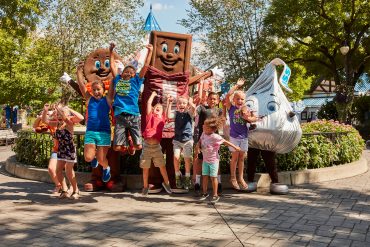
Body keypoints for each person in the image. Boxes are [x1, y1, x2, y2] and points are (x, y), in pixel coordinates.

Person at [109, 42, 152, 155]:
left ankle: (131, 142)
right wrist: (111, 51)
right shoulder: (117, 79)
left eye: (131, 72)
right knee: (116, 148)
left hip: (133, 115)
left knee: (139, 146)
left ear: (134, 75)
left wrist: (150, 52)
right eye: (126, 72)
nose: (128, 73)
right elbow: (112, 66)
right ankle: (126, 144)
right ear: (121, 73)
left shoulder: (136, 81)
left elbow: (145, 67)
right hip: (120, 115)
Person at [76, 62, 113, 183]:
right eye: (94, 90)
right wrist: (78, 72)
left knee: (102, 160)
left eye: (98, 89)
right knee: (88, 158)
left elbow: (113, 84)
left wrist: (113, 70)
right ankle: (95, 158)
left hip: (104, 132)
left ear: (103, 90)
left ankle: (106, 168)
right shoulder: (89, 99)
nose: (96, 92)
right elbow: (81, 85)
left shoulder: (107, 99)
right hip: (91, 131)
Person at [224, 78, 261, 191]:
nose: (240, 101)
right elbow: (227, 96)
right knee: (234, 158)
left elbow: (254, 118)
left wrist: (248, 118)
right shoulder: (231, 108)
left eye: (242, 99)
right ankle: (233, 178)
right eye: (238, 99)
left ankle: (240, 178)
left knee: (241, 159)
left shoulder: (246, 108)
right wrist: (237, 85)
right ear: (234, 99)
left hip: (244, 137)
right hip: (234, 137)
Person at [43, 103, 84, 199]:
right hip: (61, 150)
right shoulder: (57, 123)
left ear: (66, 114)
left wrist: (65, 109)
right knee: (58, 171)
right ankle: (64, 190)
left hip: (69, 150)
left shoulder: (69, 122)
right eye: (57, 114)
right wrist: (45, 111)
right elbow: (45, 120)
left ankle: (75, 190)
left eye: (61, 113)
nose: (58, 115)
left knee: (69, 170)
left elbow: (81, 117)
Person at [198, 117, 240, 203]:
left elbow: (225, 142)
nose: (203, 127)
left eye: (205, 127)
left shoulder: (215, 137)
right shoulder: (203, 133)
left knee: (213, 177)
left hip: (213, 161)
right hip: (205, 161)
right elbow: (200, 141)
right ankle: (204, 193)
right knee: (205, 177)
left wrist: (235, 147)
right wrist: (197, 147)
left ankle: (215, 195)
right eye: (204, 126)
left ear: (211, 129)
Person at [140, 91, 172, 196]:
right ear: (153, 110)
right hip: (147, 147)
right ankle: (145, 187)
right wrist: (153, 95)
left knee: (162, 166)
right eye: (156, 107)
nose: (158, 108)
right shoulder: (150, 117)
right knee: (146, 168)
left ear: (162, 112)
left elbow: (167, 112)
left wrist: (168, 102)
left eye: (160, 108)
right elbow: (149, 103)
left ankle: (166, 183)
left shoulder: (163, 119)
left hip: (157, 147)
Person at [193, 92, 223, 196]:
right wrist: (194, 104)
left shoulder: (219, 110)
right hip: (203, 138)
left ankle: (219, 183)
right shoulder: (202, 108)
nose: (212, 101)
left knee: (216, 160)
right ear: (207, 99)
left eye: (215, 99)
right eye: (210, 99)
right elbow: (194, 111)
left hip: (214, 141)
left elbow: (222, 122)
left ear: (218, 101)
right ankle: (197, 183)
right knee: (200, 160)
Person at [171, 96, 196, 190]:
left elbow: (193, 110)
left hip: (187, 140)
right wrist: (169, 103)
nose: (182, 105)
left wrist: (191, 103)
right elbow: (168, 116)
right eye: (180, 103)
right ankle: (178, 175)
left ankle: (187, 177)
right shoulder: (176, 113)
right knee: (176, 157)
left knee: (187, 159)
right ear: (177, 105)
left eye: (184, 103)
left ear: (187, 105)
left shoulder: (189, 113)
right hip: (177, 139)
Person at [34, 108, 61, 194]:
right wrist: (41, 116)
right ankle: (58, 185)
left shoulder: (65, 121)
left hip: (67, 149)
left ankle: (72, 188)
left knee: (68, 170)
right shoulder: (51, 123)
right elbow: (35, 127)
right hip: (56, 150)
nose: (53, 113)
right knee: (51, 168)